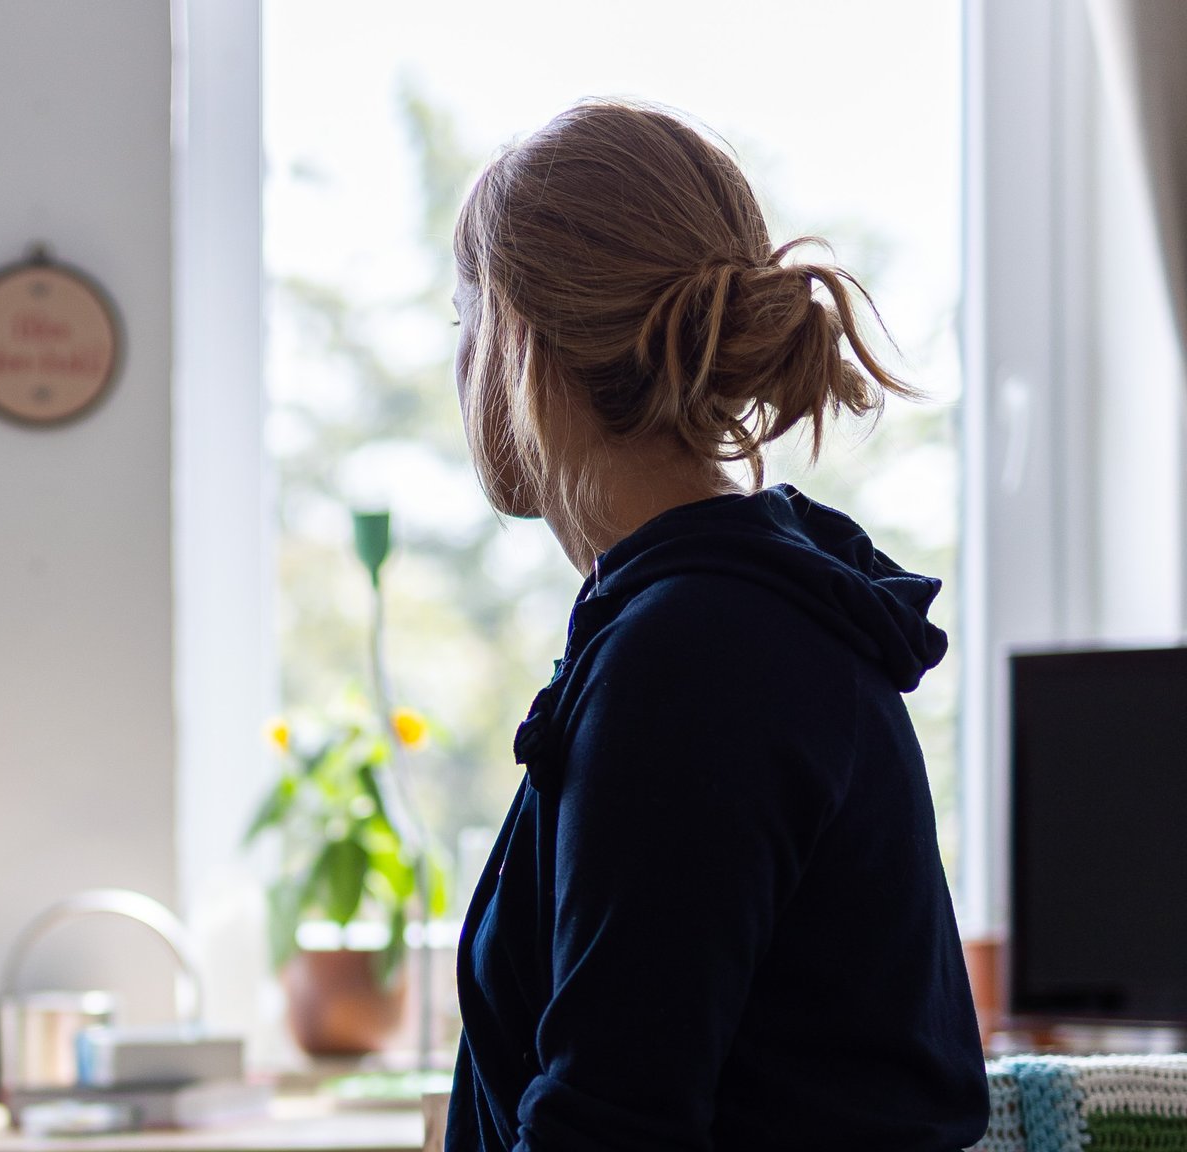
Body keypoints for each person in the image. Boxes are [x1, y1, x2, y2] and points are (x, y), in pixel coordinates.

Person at [444, 101, 988, 1151]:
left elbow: (611, 1126)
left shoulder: (689, 659)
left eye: (458, 317)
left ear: (514, 340)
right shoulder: (717, 618)